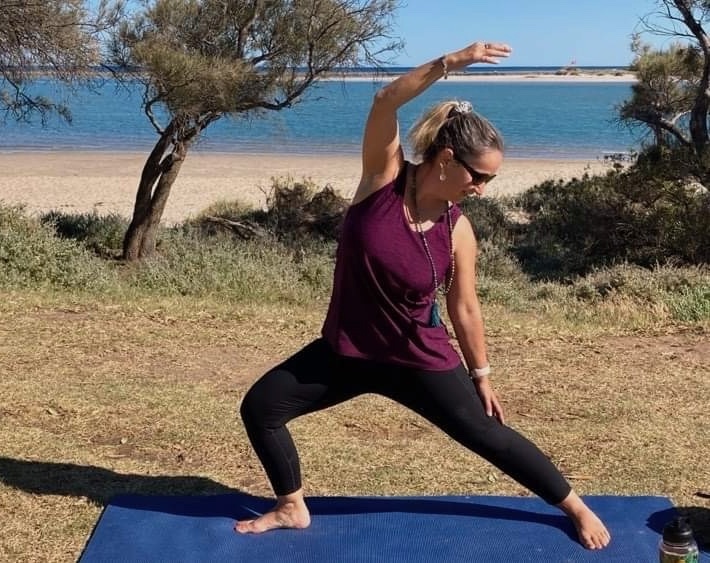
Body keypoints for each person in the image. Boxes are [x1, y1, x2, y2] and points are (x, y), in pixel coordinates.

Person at [236, 40, 611, 551]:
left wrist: (481, 375)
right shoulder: (381, 180)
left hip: (418, 358)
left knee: (487, 434)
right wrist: (452, 63)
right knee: (261, 407)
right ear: (446, 159)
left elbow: (464, 308)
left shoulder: (458, 231)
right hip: (346, 351)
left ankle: (573, 504)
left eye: (491, 180)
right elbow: (386, 101)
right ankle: (291, 505)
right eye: (479, 176)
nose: (483, 188)